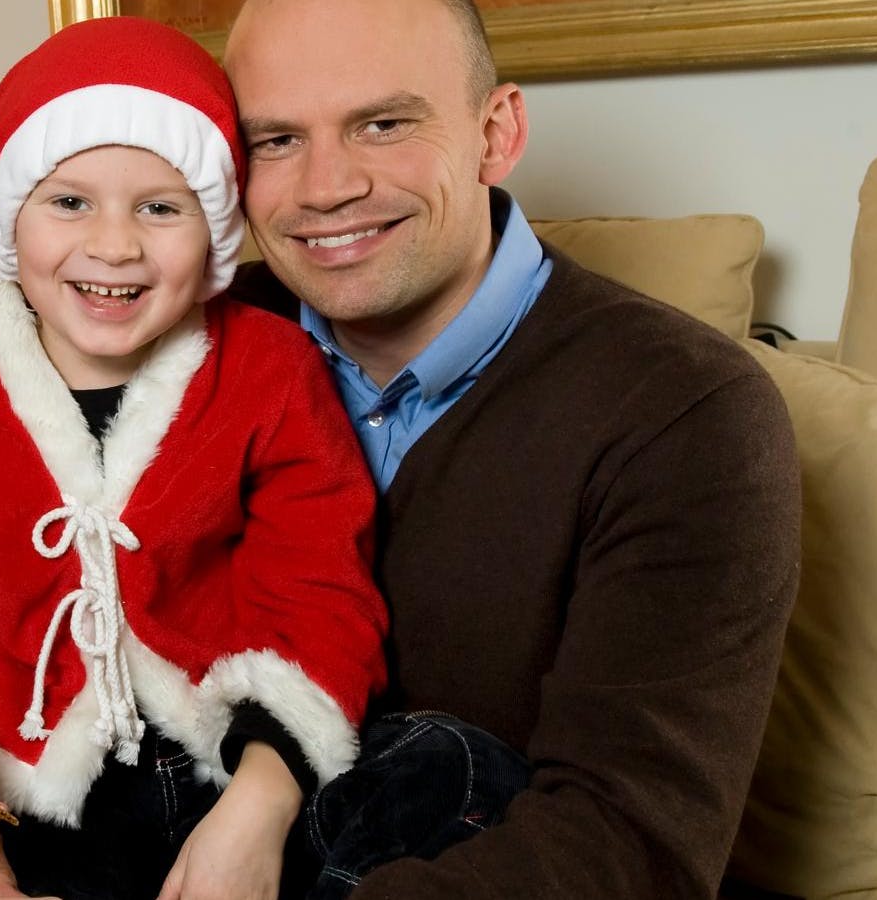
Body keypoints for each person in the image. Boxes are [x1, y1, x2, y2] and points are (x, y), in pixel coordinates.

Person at [0, 18, 533, 900]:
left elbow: (318, 591)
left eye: (161, 207)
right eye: (69, 202)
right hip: (36, 781)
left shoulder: (272, 371)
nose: (114, 247)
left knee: (456, 764)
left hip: (226, 762)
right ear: (6, 222)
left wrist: (264, 797)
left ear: (215, 241)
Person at [215, 0, 802, 897]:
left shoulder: (687, 413)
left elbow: (629, 848)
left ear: (498, 132)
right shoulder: (188, 340)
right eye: (276, 140)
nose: (325, 187)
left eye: (382, 124)